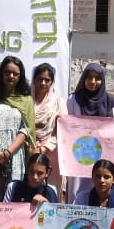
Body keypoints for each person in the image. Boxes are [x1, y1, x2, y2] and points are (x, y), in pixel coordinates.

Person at [0, 56, 35, 197]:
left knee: (12, 198)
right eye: (7, 72)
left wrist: (8, 153)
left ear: (20, 77)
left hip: (15, 158)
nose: (11, 76)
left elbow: (25, 130)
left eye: (15, 74)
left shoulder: (26, 101)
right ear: (1, 74)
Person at [66, 62, 114, 197]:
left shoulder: (110, 102)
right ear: (83, 78)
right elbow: (68, 126)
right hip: (79, 152)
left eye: (97, 78)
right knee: (77, 189)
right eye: (89, 77)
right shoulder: (73, 99)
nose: (93, 82)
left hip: (101, 153)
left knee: (99, 184)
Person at [31, 63, 67, 196]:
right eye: (40, 79)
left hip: (52, 152)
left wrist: (43, 148)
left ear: (52, 82)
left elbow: (62, 131)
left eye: (47, 80)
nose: (43, 83)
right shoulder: (27, 101)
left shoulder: (58, 102)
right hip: (30, 151)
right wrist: (31, 147)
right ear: (34, 80)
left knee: (51, 190)